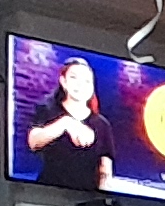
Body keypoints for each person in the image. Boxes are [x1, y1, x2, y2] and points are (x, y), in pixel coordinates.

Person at [25, 57, 116, 191]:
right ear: (63, 81)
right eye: (74, 78)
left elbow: (105, 168)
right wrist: (65, 123)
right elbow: (33, 142)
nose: (80, 85)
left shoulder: (102, 124)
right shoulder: (47, 110)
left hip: (86, 195)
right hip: (48, 192)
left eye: (87, 81)